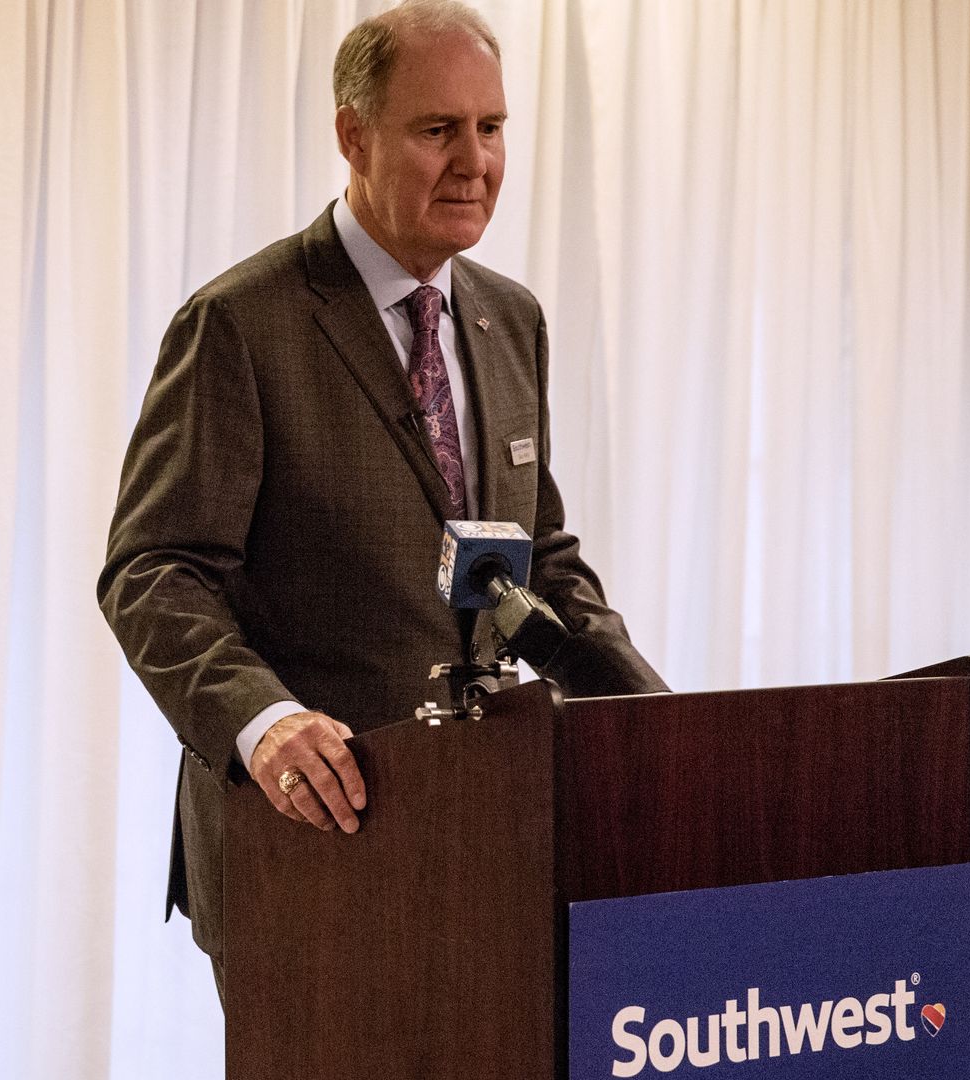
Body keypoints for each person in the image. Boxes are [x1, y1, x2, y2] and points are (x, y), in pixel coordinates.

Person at [96, 0, 667, 1002]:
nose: (475, 160)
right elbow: (155, 571)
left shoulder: (508, 318)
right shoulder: (240, 324)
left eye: (491, 128)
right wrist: (263, 721)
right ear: (353, 137)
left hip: (486, 841)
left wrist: (665, 728)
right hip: (308, 847)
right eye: (438, 129)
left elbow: (539, 565)